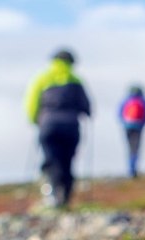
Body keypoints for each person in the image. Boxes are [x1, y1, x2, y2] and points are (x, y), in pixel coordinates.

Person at [24, 49, 92, 209]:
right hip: (71, 127)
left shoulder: (42, 78)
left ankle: (53, 194)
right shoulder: (76, 80)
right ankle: (65, 198)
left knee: (51, 160)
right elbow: (87, 107)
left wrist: (35, 120)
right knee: (67, 161)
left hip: (48, 125)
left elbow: (31, 102)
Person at [118, 85, 145, 178]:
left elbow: (119, 113)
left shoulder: (126, 101)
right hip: (138, 127)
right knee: (135, 148)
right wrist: (143, 123)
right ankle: (133, 170)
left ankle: (131, 170)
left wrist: (124, 123)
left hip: (127, 127)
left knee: (130, 148)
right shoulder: (143, 101)